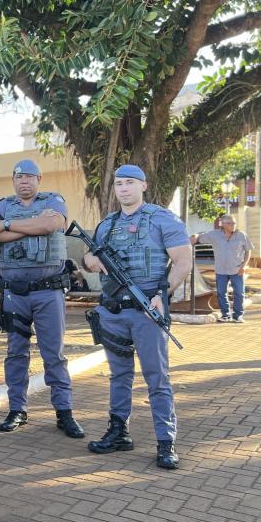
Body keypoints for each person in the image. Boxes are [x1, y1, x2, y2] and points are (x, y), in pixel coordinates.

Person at [82, 164, 192, 470]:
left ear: (143, 186)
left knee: (156, 378)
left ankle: (166, 441)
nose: (123, 189)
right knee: (119, 374)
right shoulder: (107, 224)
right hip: (113, 312)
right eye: (119, 184)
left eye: (130, 183)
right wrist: (89, 259)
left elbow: (184, 262)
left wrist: (163, 294)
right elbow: (88, 257)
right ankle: (119, 431)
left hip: (147, 310)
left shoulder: (162, 219)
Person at [0, 159, 84, 438]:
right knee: (16, 353)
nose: (24, 181)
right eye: (19, 177)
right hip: (14, 294)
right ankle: (17, 409)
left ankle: (64, 413)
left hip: (47, 292)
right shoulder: (2, 205)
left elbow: (52, 225)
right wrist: (28, 224)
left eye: (29, 176)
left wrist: (9, 227)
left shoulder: (53, 200)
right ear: (13, 180)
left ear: (39, 179)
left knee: (54, 354)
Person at [190, 214, 254, 323]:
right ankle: (225, 315)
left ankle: (238, 315)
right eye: (229, 223)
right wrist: (195, 235)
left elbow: (248, 251)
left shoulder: (241, 235)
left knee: (239, 293)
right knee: (221, 293)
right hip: (221, 270)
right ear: (223, 224)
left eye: (234, 223)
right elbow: (201, 236)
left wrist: (243, 266)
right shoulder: (215, 235)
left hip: (237, 270)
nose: (232, 225)